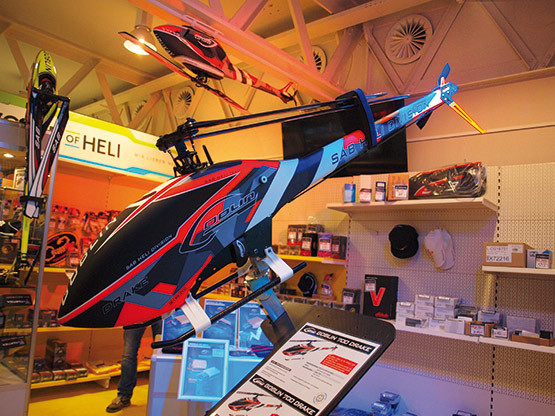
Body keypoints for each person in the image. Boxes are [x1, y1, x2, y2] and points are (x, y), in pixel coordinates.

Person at [106, 321, 162, 413]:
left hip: (161, 314)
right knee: (128, 354)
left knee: (162, 354)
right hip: (136, 314)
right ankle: (124, 396)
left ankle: (162, 397)